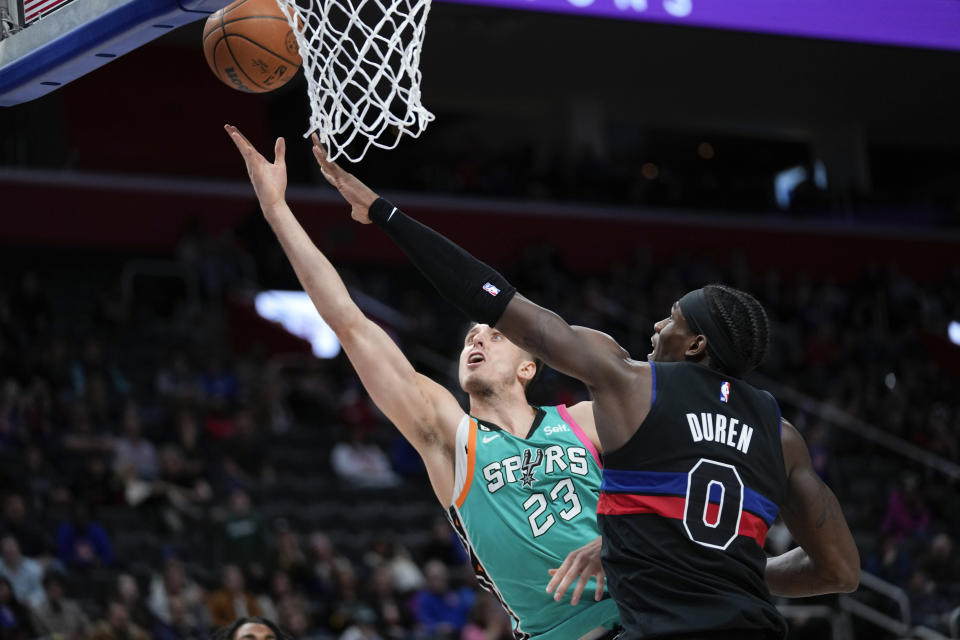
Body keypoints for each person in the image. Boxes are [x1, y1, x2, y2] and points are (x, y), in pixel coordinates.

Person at [309, 138, 861, 640]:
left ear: (695, 346)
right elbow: (841, 570)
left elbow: (490, 297)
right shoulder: (781, 434)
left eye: (671, 320)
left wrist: (385, 214)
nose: (656, 328)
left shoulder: (631, 385)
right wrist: (723, 573)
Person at [225, 126, 620, 640]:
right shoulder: (450, 436)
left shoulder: (584, 420)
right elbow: (349, 322)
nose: (475, 340)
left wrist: (616, 540)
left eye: (495, 335)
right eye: (469, 336)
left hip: (640, 613)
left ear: (530, 367)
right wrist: (277, 209)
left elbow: (672, 488)